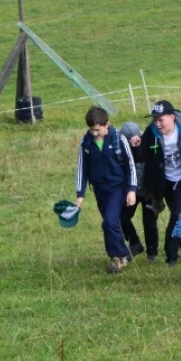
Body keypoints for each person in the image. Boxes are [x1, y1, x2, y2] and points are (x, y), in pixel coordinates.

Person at [135, 100, 181, 267]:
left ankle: (171, 256)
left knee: (178, 215)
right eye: (155, 119)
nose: (157, 123)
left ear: (172, 117)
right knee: (179, 216)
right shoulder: (151, 133)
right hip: (163, 183)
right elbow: (140, 156)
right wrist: (135, 145)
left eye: (161, 119)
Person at [75, 106, 138, 274]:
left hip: (118, 188)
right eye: (91, 130)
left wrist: (131, 190)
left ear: (107, 124)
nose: (94, 133)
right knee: (110, 225)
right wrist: (80, 195)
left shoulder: (119, 139)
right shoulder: (86, 143)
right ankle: (122, 255)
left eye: (97, 130)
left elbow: (131, 166)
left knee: (109, 222)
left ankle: (118, 257)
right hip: (99, 190)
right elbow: (82, 168)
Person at [118, 120, 148, 260]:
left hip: (148, 191)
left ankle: (152, 253)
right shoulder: (121, 152)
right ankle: (135, 244)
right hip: (132, 192)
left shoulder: (147, 146)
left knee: (149, 223)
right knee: (122, 216)